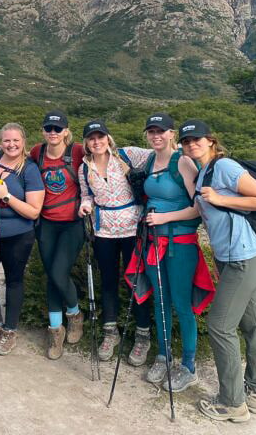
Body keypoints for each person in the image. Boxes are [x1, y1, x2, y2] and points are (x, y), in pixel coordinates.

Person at [179, 119, 256, 422]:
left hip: (242, 259)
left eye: (197, 139)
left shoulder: (224, 167)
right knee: (252, 324)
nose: (192, 144)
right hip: (234, 258)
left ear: (210, 140)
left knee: (220, 326)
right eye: (186, 141)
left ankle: (232, 402)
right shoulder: (204, 170)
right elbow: (199, 208)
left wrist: (221, 198)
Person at [124, 113, 214, 392]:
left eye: (161, 131)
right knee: (160, 302)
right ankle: (163, 356)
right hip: (152, 243)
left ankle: (188, 366)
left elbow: (198, 207)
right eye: (151, 131)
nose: (156, 136)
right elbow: (106, 149)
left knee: (181, 304)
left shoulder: (183, 162)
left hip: (180, 244)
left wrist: (164, 218)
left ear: (172, 133)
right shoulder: (149, 160)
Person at [78, 120, 152, 362]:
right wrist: (85, 206)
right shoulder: (84, 168)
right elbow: (86, 194)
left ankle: (143, 335)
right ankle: (111, 332)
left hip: (133, 228)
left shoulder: (127, 155)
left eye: (100, 136)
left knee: (136, 279)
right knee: (108, 280)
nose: (96, 141)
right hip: (104, 230)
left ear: (108, 138)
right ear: (86, 143)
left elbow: (159, 154)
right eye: (91, 138)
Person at [0, 122, 45, 356]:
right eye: (6, 140)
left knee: (14, 281)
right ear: (0, 142)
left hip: (18, 235)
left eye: (16, 140)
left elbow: (34, 211)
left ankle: (10, 330)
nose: (11, 145)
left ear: (24, 142)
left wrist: (7, 197)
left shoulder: (30, 169)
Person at [31, 111, 86, 359]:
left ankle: (74, 315)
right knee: (52, 276)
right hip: (47, 224)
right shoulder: (37, 152)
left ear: (66, 131)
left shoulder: (76, 152)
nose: (53, 133)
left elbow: (104, 155)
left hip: (72, 224)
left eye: (57, 128)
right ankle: (56, 329)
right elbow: (14, 156)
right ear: (43, 131)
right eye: (48, 128)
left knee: (57, 273)